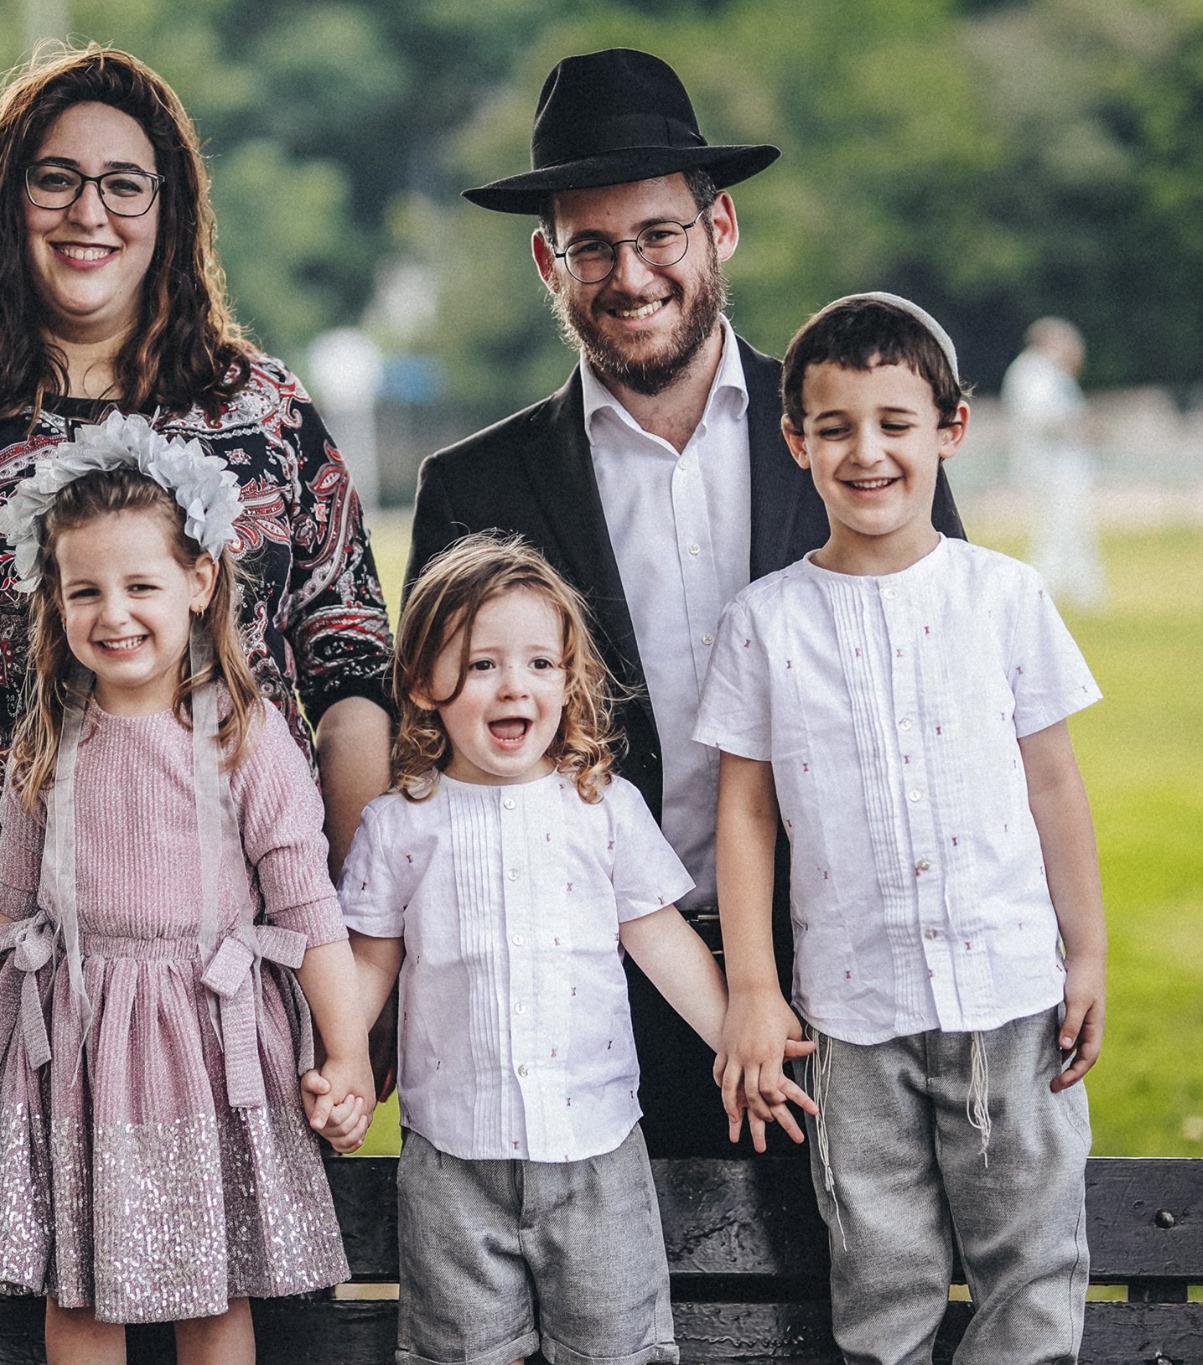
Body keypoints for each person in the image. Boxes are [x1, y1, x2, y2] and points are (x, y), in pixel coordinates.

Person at [0, 45, 393, 1155]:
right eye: (54, 177)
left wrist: (359, 963)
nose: (90, 212)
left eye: (125, 183)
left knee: (214, 1295)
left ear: (169, 210)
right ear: (2, 200)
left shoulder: (261, 416)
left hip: (219, 994)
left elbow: (353, 674)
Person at [412, 47, 963, 1158]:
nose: (630, 274)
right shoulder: (472, 490)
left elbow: (950, 704)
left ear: (717, 231)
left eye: (658, 234)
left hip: (850, 973)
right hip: (578, 992)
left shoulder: (858, 442)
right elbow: (433, 766)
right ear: (545, 261)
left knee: (852, 1306)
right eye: (591, 247)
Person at [700, 295, 1105, 1363]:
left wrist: (1088, 950)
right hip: (851, 1015)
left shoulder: (1004, 600)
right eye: (833, 427)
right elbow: (742, 813)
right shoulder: (764, 623)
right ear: (795, 443)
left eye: (894, 422)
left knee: (1030, 1266)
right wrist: (751, 984)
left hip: (1010, 1001)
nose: (865, 451)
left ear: (949, 432)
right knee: (879, 1273)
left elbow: (1053, 787)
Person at [0, 417, 375, 1364]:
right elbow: (7, 910)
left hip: (203, 1043)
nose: (114, 613)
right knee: (79, 1291)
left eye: (141, 585)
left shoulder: (244, 742)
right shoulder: (47, 745)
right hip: (77, 1044)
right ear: (53, 601)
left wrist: (348, 1056)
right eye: (84, 590)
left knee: (208, 1288)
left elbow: (309, 916)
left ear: (198, 581)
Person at [337, 534, 815, 1365]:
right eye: (481, 665)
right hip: (454, 1162)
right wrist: (346, 1060)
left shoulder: (602, 809)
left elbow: (660, 938)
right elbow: (372, 960)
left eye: (539, 664)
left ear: (569, 681)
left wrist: (738, 1033)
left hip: (595, 1152)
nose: (514, 684)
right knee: (463, 1353)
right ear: (422, 683)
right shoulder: (401, 824)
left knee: (614, 1348)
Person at [1003, 316, 1106, 608]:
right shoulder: (1037, 371)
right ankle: (1043, 590)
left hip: (1059, 464)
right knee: (1058, 531)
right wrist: (1080, 426)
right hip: (1053, 465)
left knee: (1071, 530)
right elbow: (1041, 418)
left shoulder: (1042, 372)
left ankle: (1083, 592)